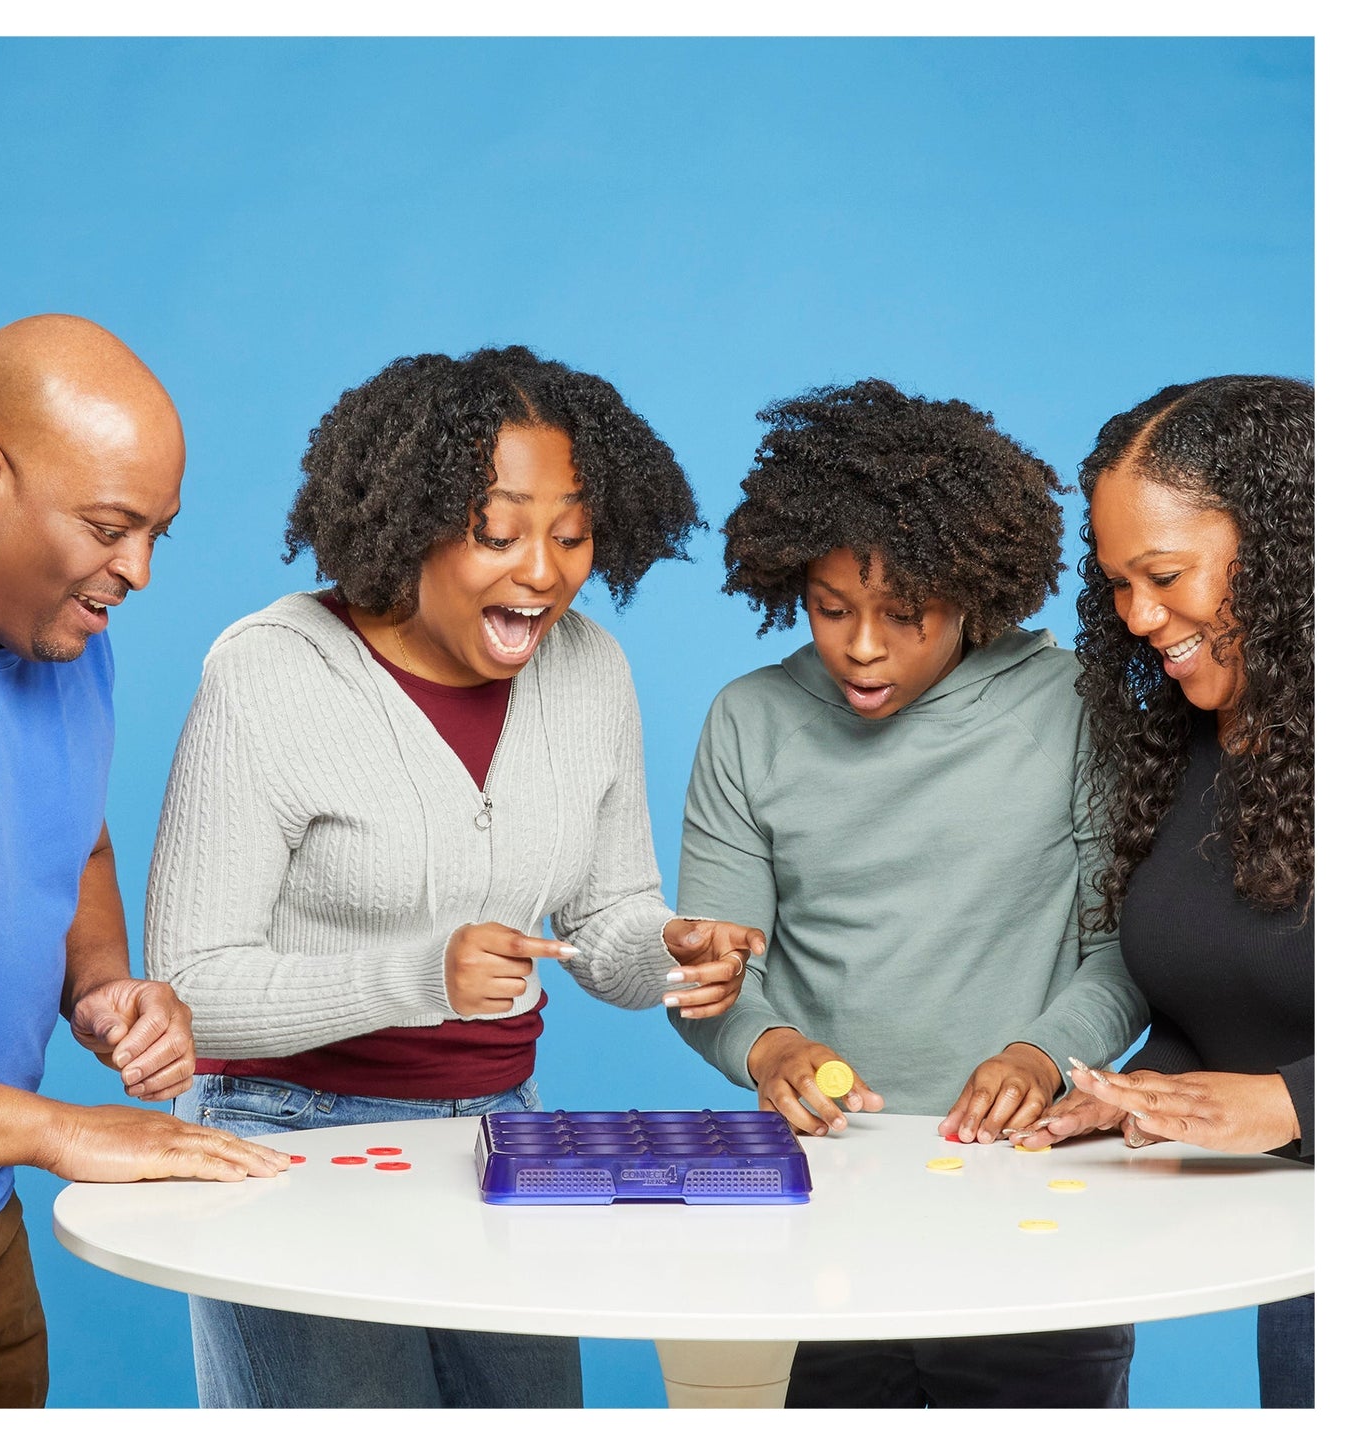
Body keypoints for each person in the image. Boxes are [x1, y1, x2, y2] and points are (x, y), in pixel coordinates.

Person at [143, 343, 765, 1409]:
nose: (543, 569)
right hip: (285, 1138)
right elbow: (190, 985)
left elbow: (605, 918)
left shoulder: (591, 671)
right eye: (498, 532)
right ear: (408, 520)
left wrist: (664, 949)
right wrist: (420, 975)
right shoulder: (269, 672)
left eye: (569, 535)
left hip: (500, 1135)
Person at [670, 377, 1148, 1409]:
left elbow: (1124, 952)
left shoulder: (1069, 704)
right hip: (834, 1197)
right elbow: (714, 974)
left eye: (904, 613)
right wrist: (768, 1048)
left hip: (1034, 1194)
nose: (862, 646)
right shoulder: (749, 721)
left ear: (975, 592)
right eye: (831, 608)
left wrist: (1037, 1057)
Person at [0, 314, 292, 1410]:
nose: (135, 571)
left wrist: (101, 984)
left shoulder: (67, 639)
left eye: (156, 533)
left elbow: (75, 829)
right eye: (108, 526)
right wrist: (63, 1130)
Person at [1010, 374, 1314, 1408]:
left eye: (1164, 573)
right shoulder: (1184, 744)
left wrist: (1290, 1101)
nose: (1138, 616)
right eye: (1115, 586)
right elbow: (1234, 988)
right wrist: (1142, 1096)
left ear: (1286, 552)